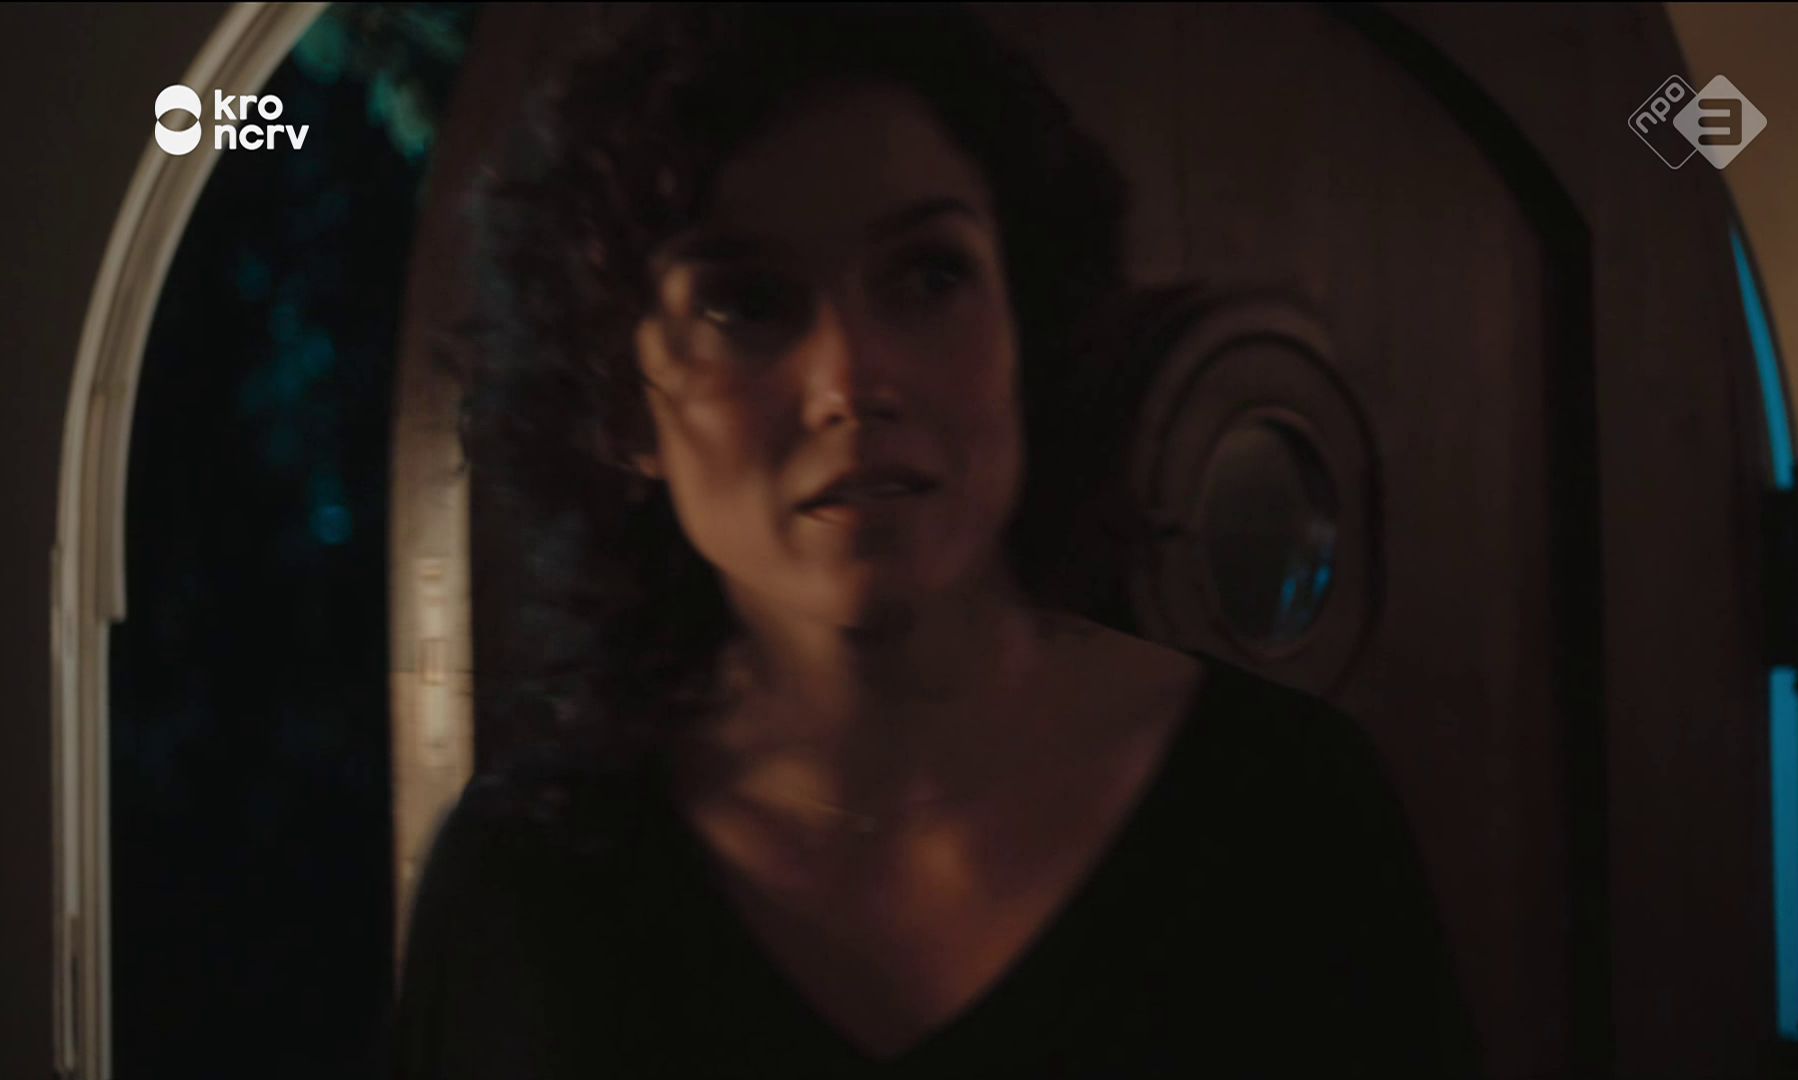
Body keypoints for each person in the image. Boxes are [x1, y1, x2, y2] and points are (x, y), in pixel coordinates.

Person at [391, 5, 1485, 1077]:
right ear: (620, 404)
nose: (852, 379)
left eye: (928, 276)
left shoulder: (1289, 814)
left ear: (1024, 321)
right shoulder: (530, 888)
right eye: (745, 304)